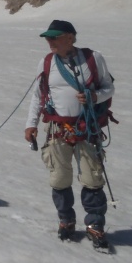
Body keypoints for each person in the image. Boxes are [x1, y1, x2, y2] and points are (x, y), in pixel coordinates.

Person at [25, 20, 115, 249]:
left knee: (92, 178)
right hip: (58, 129)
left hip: (87, 128)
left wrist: (95, 97)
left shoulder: (94, 58)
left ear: (70, 37)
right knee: (59, 178)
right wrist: (30, 124)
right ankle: (66, 220)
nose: (49, 41)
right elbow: (38, 96)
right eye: (48, 37)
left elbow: (108, 87)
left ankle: (95, 224)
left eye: (54, 37)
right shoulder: (46, 62)